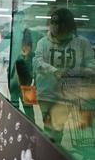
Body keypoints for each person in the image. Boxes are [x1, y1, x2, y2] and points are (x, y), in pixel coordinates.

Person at [33, 8, 95, 143]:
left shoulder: (81, 43)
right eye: (53, 24)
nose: (56, 28)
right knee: (49, 127)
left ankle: (52, 153)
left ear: (69, 27)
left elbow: (91, 61)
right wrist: (54, 71)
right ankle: (50, 153)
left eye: (60, 25)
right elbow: (37, 62)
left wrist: (86, 72)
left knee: (57, 127)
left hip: (67, 94)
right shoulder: (43, 43)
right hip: (46, 93)